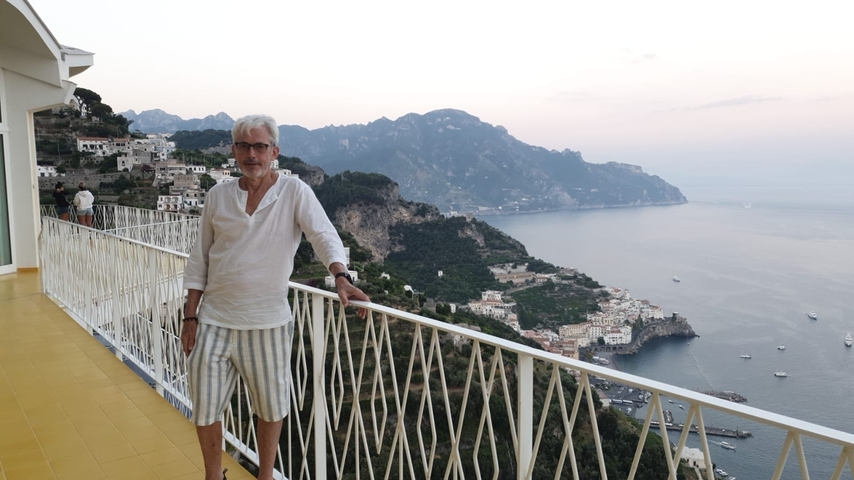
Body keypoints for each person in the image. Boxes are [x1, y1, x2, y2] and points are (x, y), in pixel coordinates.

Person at [181, 114, 370, 480]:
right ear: (234, 150)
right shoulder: (217, 196)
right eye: (244, 146)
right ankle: (212, 475)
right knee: (205, 408)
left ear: (274, 151)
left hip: (267, 323)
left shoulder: (294, 191)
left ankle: (265, 475)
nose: (252, 154)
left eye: (260, 146)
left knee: (270, 409)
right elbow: (199, 260)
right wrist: (190, 316)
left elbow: (324, 235)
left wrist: (341, 278)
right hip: (213, 321)